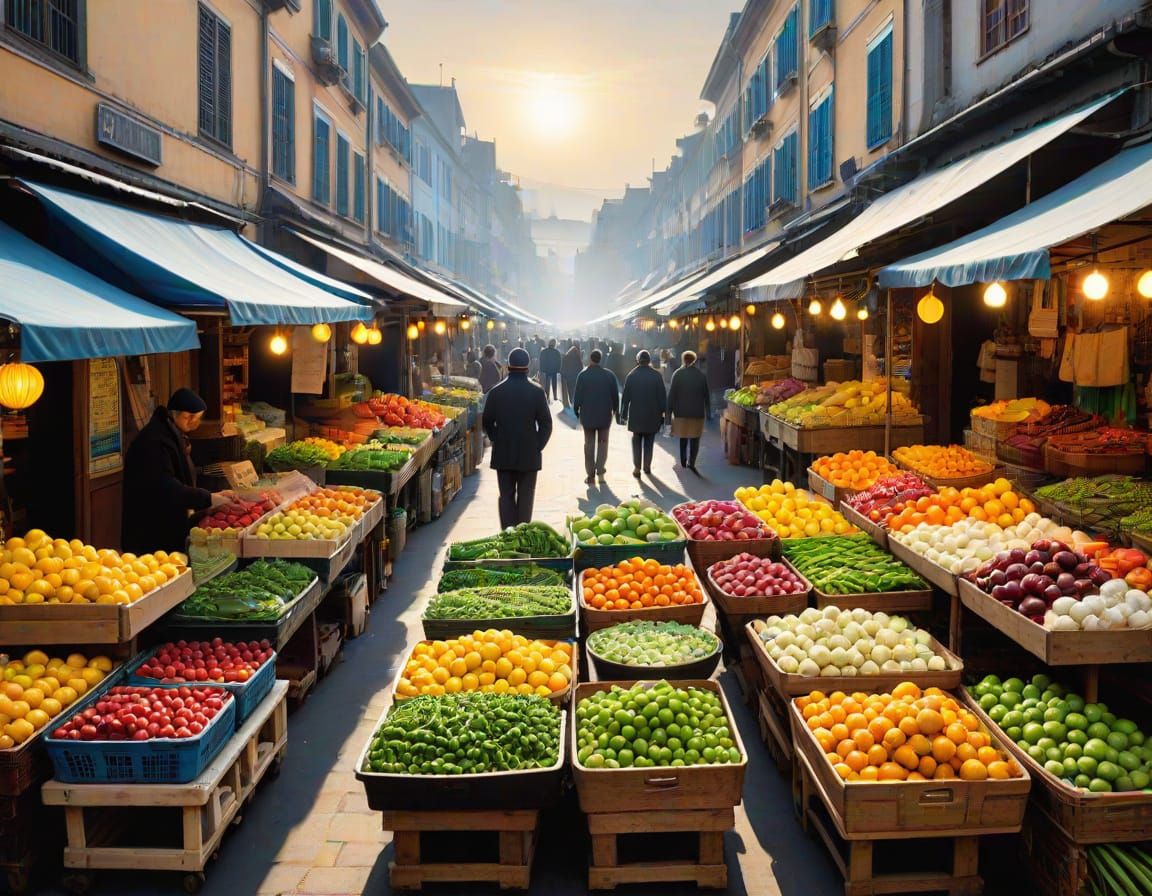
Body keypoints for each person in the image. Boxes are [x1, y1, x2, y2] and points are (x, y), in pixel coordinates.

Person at [121, 389, 222, 554]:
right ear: (180, 415)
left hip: (165, 525)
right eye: (191, 417)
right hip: (150, 531)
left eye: (197, 418)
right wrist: (208, 498)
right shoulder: (154, 442)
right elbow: (165, 486)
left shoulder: (172, 433)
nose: (194, 422)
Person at [482, 348, 553, 528]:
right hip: (529, 453)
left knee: (505, 495)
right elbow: (546, 424)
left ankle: (508, 533)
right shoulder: (537, 391)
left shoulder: (496, 392)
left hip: (503, 452)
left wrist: (496, 438)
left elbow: (487, 421)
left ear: (508, 365)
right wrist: (537, 445)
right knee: (526, 495)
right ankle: (522, 534)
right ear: (528, 366)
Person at [572, 349, 620, 484]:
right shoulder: (609, 375)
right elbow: (615, 396)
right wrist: (616, 411)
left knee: (589, 444)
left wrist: (576, 410)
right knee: (603, 444)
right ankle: (600, 470)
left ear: (590, 359)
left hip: (587, 415)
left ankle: (590, 475)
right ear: (601, 359)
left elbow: (577, 396)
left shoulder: (583, 375)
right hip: (605, 415)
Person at [619, 350, 667, 478]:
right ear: (649, 360)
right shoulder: (656, 376)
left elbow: (625, 398)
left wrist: (623, 415)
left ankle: (636, 468)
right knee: (649, 443)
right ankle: (647, 467)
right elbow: (662, 397)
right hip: (653, 415)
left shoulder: (632, 375)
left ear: (638, 360)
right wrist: (664, 415)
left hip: (636, 415)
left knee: (636, 442)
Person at [667, 350, 711, 472]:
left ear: (683, 360)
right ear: (694, 360)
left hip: (681, 413)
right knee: (695, 438)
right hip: (697, 413)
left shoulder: (677, 374)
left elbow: (672, 395)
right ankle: (692, 462)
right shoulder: (701, 376)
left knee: (683, 437)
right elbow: (706, 395)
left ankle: (683, 461)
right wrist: (709, 412)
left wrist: (668, 412)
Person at [560, 342, 583, 409]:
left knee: (569, 389)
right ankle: (573, 401)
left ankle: (570, 400)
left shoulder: (566, 357)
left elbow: (563, 367)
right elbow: (580, 367)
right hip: (576, 376)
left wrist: (563, 374)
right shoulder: (578, 358)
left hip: (568, 376)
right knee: (574, 389)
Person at [539, 338, 562, 402]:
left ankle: (547, 396)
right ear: (555, 344)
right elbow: (559, 362)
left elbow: (541, 361)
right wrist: (558, 370)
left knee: (547, 383)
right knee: (554, 383)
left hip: (546, 370)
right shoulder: (557, 352)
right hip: (554, 370)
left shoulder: (544, 351)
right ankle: (555, 396)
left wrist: (541, 369)